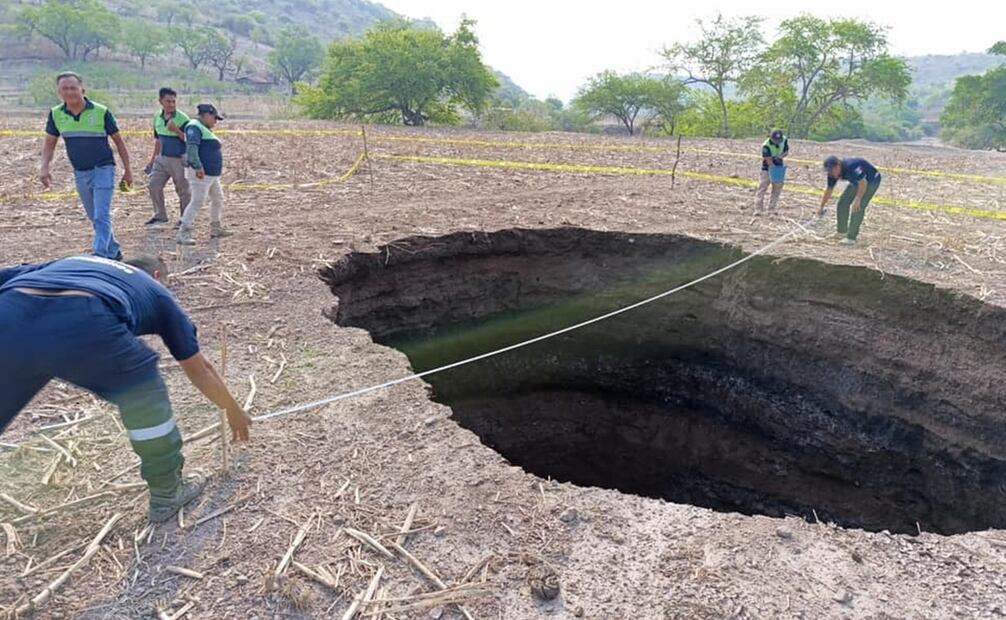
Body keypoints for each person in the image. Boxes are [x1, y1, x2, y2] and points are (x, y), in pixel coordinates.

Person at [0, 255, 252, 522]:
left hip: (10, 311)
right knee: (144, 392)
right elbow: (200, 369)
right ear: (157, 277)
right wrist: (233, 409)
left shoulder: (74, 261)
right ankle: (167, 491)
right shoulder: (158, 293)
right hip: (84, 317)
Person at [41, 72, 133, 260]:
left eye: (73, 88)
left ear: (82, 89)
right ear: (59, 92)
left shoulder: (101, 111)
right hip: (80, 172)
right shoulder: (56, 114)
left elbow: (119, 142)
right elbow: (49, 144)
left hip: (104, 168)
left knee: (101, 215)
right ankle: (113, 249)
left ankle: (99, 256)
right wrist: (44, 168)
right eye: (64, 88)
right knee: (94, 217)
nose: (69, 92)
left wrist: (128, 171)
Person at [177, 103, 231, 245]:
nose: (215, 122)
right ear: (206, 115)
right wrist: (198, 166)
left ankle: (215, 227)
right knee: (197, 201)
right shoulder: (194, 127)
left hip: (210, 175)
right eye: (214, 118)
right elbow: (192, 148)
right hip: (201, 173)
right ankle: (184, 232)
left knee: (218, 198)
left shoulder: (202, 128)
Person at [145, 88, 191, 226]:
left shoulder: (183, 119)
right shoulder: (157, 117)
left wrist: (176, 131)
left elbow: (190, 140)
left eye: (173, 101)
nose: (171, 104)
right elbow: (158, 140)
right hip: (162, 158)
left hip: (179, 158)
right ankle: (160, 215)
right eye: (168, 101)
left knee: (183, 190)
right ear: (160, 101)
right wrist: (153, 159)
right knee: (153, 185)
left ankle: (186, 219)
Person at [818, 156, 883, 246]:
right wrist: (821, 206)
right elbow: (829, 190)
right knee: (842, 203)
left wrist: (858, 198)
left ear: (838, 165)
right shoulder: (832, 174)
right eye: (829, 171)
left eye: (832, 170)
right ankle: (842, 232)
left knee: (858, 207)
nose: (831, 173)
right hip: (857, 182)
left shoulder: (852, 166)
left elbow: (863, 183)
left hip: (871, 180)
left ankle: (851, 238)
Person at [753, 128, 789, 214]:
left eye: (778, 140)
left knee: (777, 188)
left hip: (779, 165)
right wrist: (773, 171)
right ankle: (758, 208)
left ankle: (771, 209)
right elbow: (768, 160)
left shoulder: (784, 140)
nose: (777, 142)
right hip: (767, 167)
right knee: (763, 187)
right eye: (775, 140)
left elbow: (786, 151)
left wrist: (780, 157)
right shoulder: (766, 146)